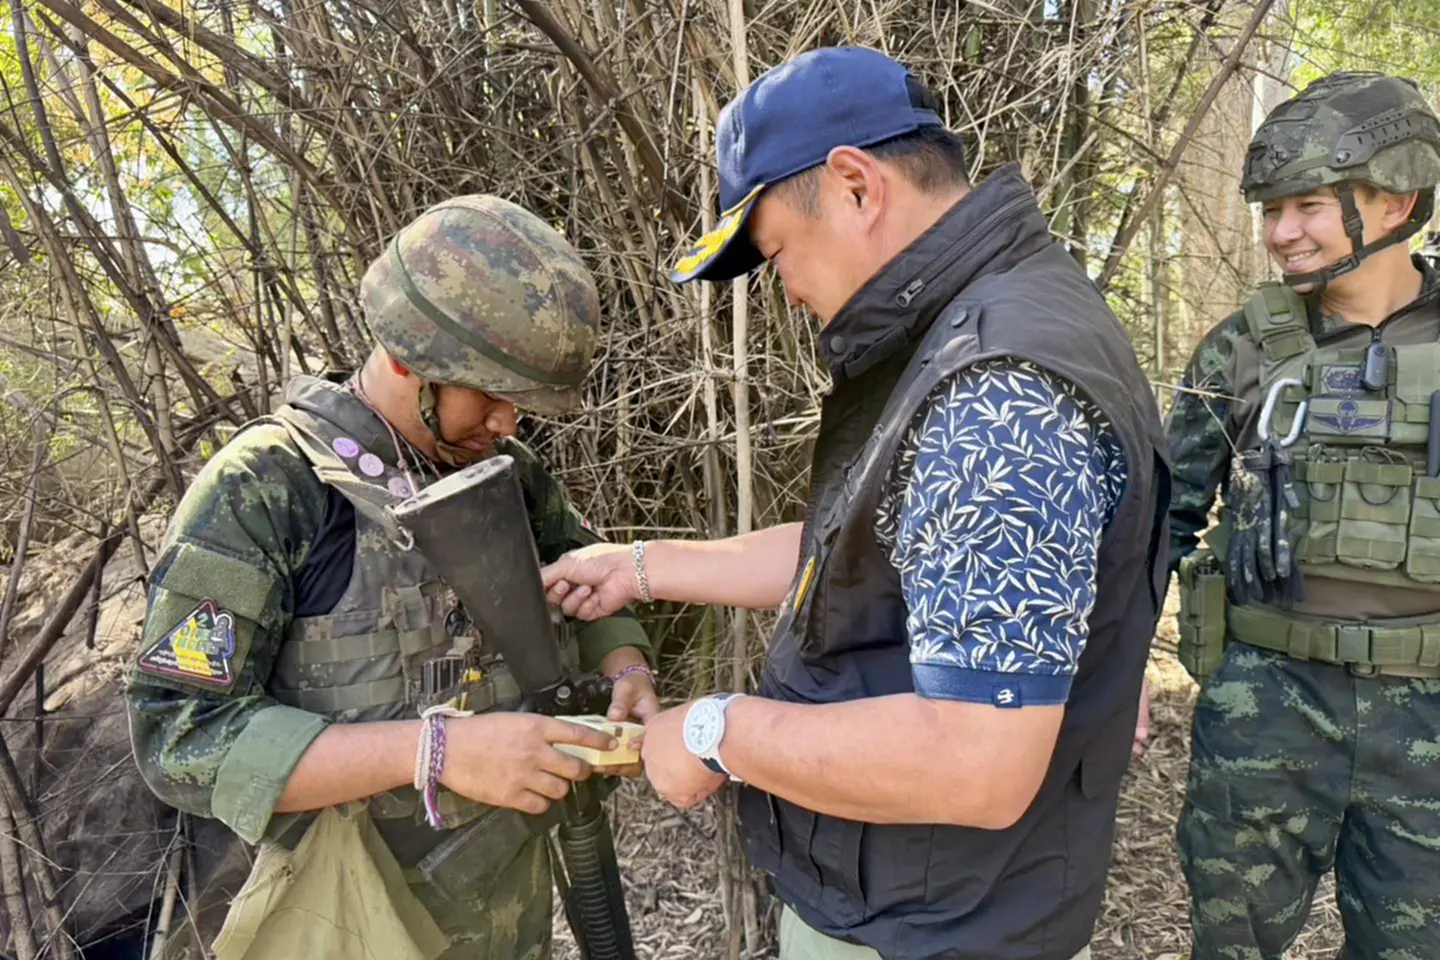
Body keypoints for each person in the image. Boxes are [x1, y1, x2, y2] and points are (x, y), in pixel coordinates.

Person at [542, 46, 1170, 960]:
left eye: (778, 253)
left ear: (855, 187)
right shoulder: (983, 321)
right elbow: (871, 550)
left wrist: (717, 732)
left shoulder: (997, 387)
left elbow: (977, 762)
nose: (788, 289)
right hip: (934, 901)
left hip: (938, 927)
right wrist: (640, 568)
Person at [125, 195, 657, 959]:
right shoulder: (267, 490)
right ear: (409, 358)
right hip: (354, 920)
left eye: (520, 403)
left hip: (509, 907)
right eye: (491, 395)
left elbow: (583, 570)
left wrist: (624, 663)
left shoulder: (504, 471)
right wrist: (437, 753)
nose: (509, 423)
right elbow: (179, 737)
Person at [1165, 70, 1440, 959]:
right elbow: (1159, 525)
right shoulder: (1242, 349)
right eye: (1271, 210)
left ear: (1397, 200)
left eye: (1308, 206)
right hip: (1267, 709)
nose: (1281, 232)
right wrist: (1107, 682)